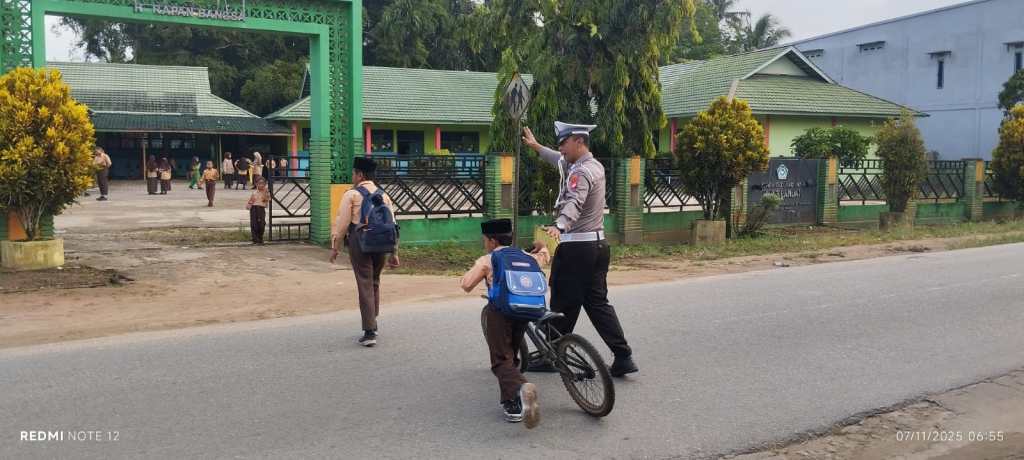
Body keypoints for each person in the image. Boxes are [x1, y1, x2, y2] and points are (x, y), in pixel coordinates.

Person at [521, 122, 638, 377]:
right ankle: (623, 355)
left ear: (578, 141)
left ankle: (551, 355)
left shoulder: (580, 173)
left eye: (563, 143)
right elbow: (557, 160)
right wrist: (536, 146)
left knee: (562, 302)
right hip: (597, 247)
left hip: (576, 249)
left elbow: (575, 200)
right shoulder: (591, 166)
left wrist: (560, 226)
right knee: (597, 303)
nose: (560, 148)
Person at [461, 218, 549, 427]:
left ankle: (523, 387)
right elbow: (544, 256)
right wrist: (542, 247)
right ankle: (513, 405)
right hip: (525, 311)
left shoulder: (488, 259)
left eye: (485, 240)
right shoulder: (527, 256)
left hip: (500, 312)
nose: (484, 243)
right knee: (512, 354)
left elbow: (466, 284)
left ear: (492, 241)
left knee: (501, 360)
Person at [329, 157, 400, 347]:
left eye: (353, 173)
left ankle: (369, 332)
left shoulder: (351, 194)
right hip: (382, 243)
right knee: (374, 281)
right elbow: (392, 224)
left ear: (360, 175)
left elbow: (342, 223)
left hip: (360, 242)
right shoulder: (383, 195)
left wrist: (335, 246)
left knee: (364, 283)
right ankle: (373, 322)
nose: (352, 176)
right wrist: (394, 252)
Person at [246, 177, 270, 244]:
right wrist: (249, 205)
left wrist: (265, 192)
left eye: (263, 183)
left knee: (262, 224)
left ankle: (260, 237)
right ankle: (255, 239)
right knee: (254, 224)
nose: (261, 185)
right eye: (259, 183)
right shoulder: (254, 192)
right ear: (256, 184)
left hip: (261, 209)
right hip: (254, 208)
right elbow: (251, 200)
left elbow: (266, 200)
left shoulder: (266, 191)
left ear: (265, 184)